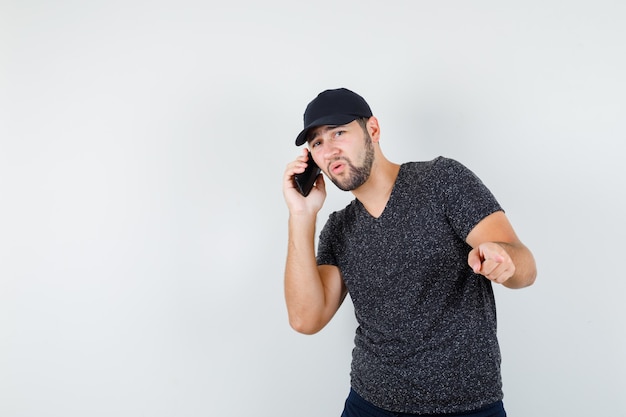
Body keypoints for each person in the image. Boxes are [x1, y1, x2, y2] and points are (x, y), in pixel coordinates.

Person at [282, 88, 537, 417]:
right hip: (370, 404)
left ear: (372, 130)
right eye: (317, 143)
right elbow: (306, 319)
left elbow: (525, 266)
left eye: (339, 133)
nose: (330, 151)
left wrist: (506, 262)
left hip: (467, 406)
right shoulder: (338, 227)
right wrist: (301, 216)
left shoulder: (441, 180)